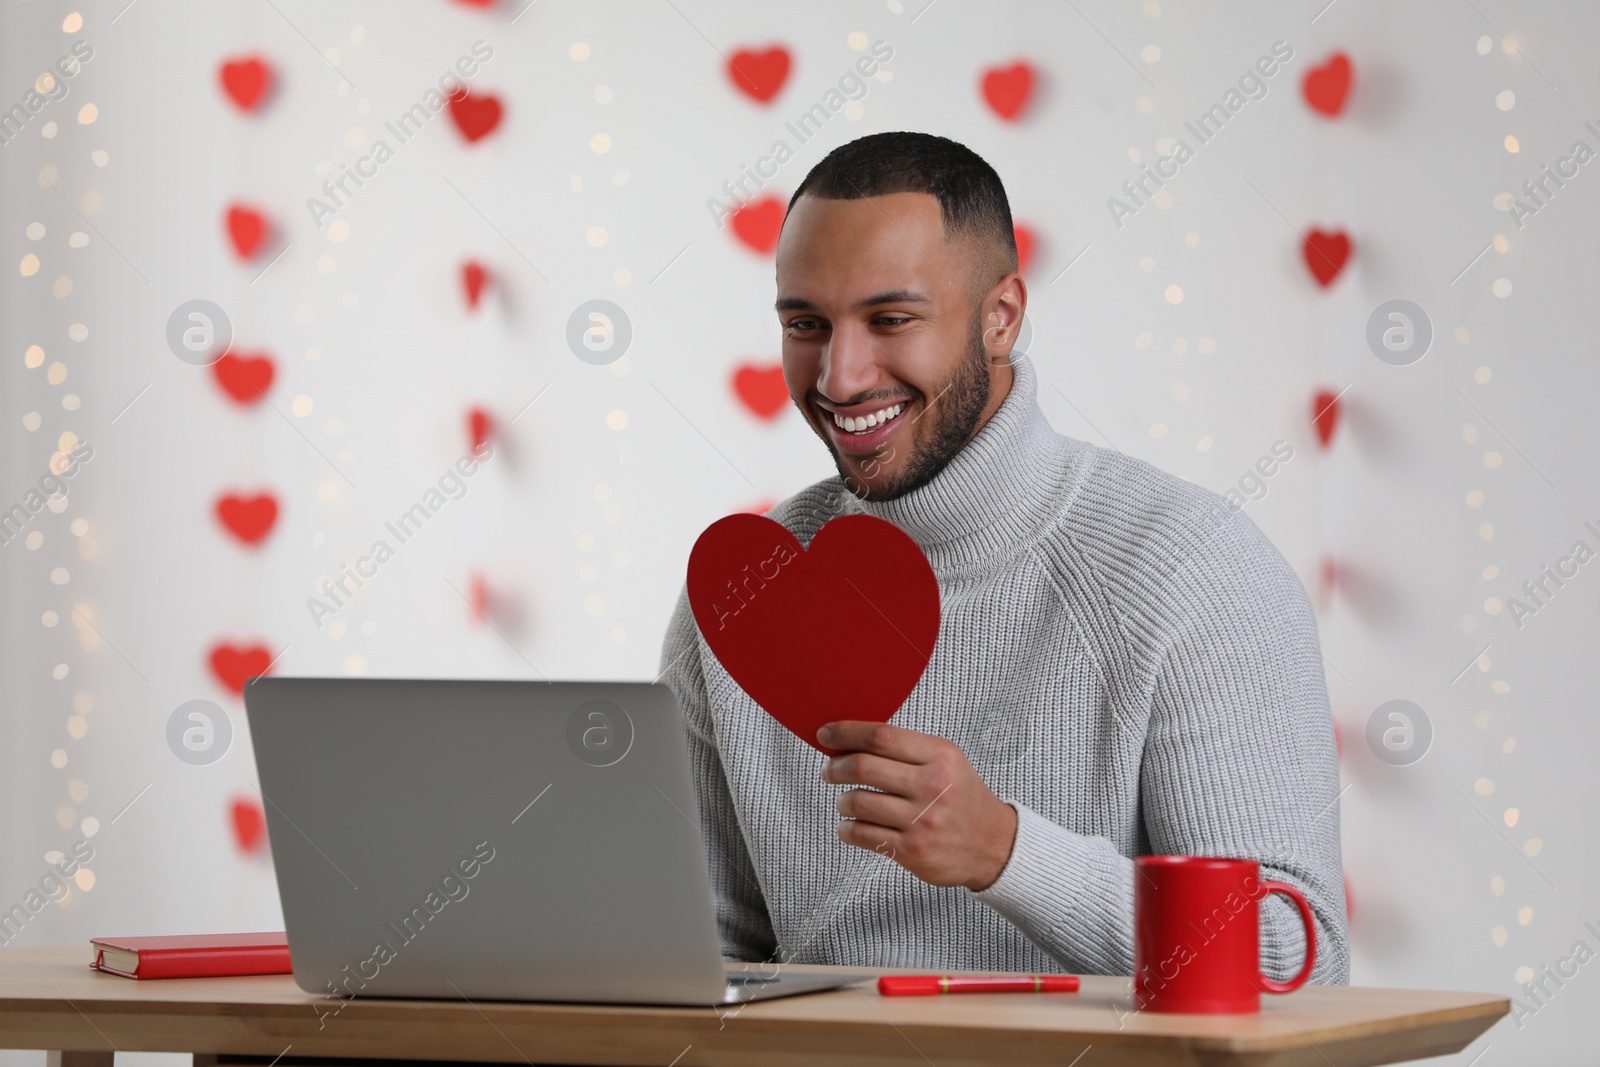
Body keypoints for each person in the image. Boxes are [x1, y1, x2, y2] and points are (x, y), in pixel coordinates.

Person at [658, 131, 1348, 983]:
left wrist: (1008, 853)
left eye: (891, 320)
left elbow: (1293, 964)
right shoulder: (739, 597)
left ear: (1002, 316)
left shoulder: (1190, 568)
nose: (838, 377)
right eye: (806, 324)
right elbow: (697, 962)